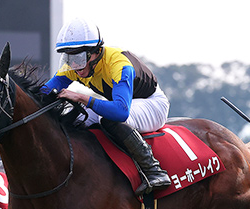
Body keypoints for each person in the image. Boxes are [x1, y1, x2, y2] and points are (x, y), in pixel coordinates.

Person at [41, 17, 171, 195]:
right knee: (73, 119)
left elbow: (120, 112)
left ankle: (154, 170)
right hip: (123, 105)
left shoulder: (119, 65)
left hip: (152, 104)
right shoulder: (75, 66)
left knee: (108, 119)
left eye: (78, 58)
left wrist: (81, 97)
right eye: (68, 58)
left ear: (96, 52)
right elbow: (42, 93)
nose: (74, 65)